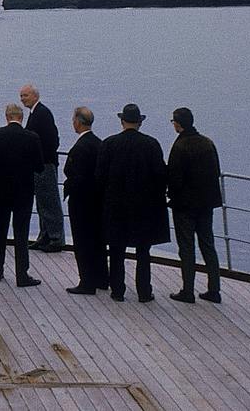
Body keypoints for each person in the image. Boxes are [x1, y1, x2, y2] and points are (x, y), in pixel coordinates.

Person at [96, 103, 169, 302]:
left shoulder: (109, 144)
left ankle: (117, 290)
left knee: (117, 250)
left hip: (116, 205)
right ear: (140, 123)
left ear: (122, 121)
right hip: (144, 207)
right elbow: (161, 175)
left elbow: (100, 176)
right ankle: (144, 291)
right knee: (143, 251)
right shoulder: (151, 144)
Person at [166, 106, 223, 304]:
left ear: (178, 124)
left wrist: (171, 196)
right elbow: (215, 171)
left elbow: (174, 177)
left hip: (184, 206)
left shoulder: (180, 146)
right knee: (208, 245)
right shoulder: (207, 143)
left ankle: (188, 290)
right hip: (206, 204)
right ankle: (214, 289)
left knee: (187, 248)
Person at [0, 102, 43, 287]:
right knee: (21, 233)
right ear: (21, 117)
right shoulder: (32, 137)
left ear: (6, 117)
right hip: (23, 193)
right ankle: (21, 274)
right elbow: (39, 166)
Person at [62, 107, 107, 295]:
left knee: (82, 241)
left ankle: (87, 281)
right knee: (98, 239)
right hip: (98, 199)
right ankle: (102, 278)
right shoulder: (100, 144)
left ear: (78, 122)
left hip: (82, 201)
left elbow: (74, 174)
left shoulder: (80, 148)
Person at [21, 85, 65, 252]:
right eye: (21, 96)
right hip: (41, 164)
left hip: (44, 164)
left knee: (49, 201)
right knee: (42, 202)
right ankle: (45, 235)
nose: (22, 98)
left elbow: (52, 140)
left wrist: (40, 157)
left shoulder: (42, 114)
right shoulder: (37, 113)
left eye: (25, 95)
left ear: (34, 96)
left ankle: (56, 238)